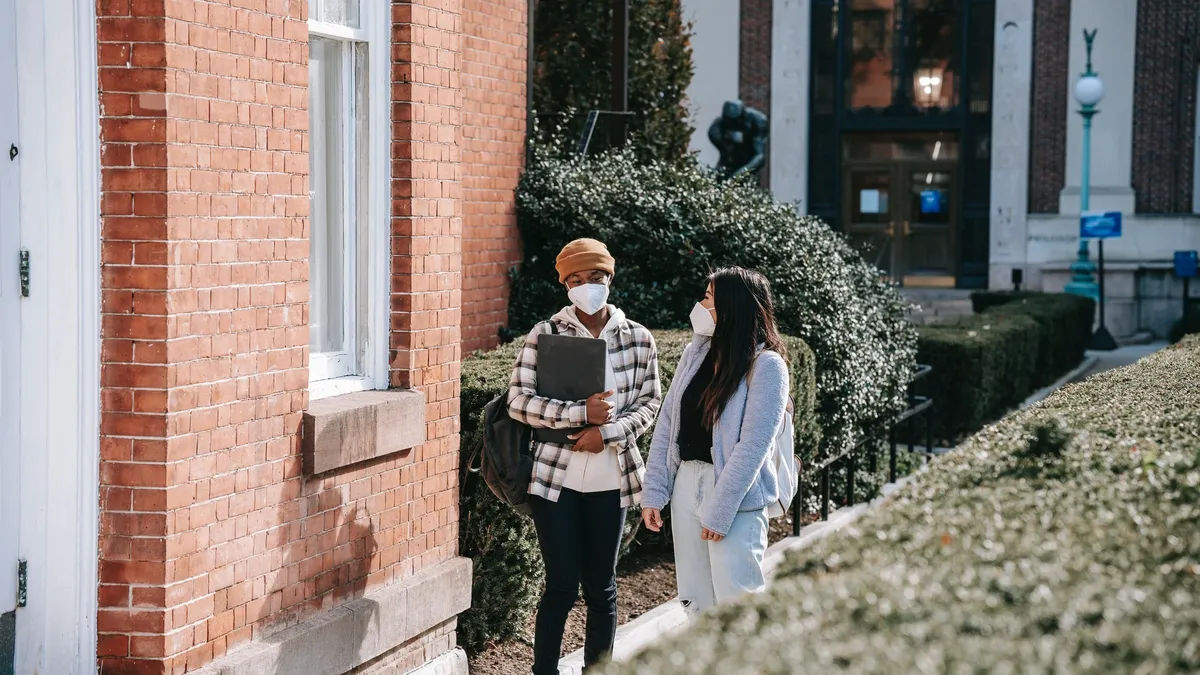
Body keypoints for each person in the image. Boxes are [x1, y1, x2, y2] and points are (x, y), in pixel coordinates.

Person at [507, 238, 662, 674]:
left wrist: (606, 432)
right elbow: (518, 401)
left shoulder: (638, 338)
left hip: (611, 479)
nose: (586, 286)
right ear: (565, 285)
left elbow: (650, 403)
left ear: (609, 279)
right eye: (576, 279)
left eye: (595, 277)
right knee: (559, 585)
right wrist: (579, 414)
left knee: (602, 587)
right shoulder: (546, 333)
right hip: (554, 479)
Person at [640, 267, 790, 619]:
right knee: (695, 602)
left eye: (708, 298)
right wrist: (654, 492)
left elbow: (753, 446)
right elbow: (668, 425)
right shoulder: (697, 355)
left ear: (732, 307)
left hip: (735, 497)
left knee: (737, 606)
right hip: (687, 485)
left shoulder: (767, 366)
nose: (700, 305)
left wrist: (720, 511)